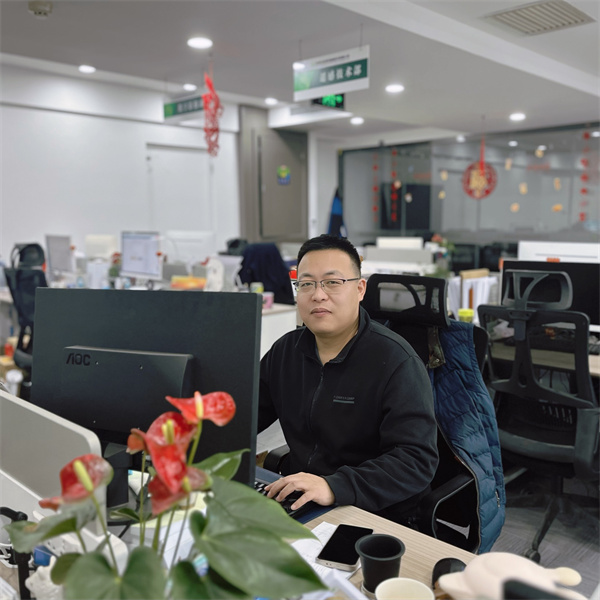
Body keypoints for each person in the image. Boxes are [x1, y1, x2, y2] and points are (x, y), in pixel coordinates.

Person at [258, 234, 439, 524]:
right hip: (302, 501)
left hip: (377, 513)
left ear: (360, 289)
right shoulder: (285, 352)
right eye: (306, 284)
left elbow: (415, 460)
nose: (318, 295)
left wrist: (333, 486)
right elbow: (243, 415)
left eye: (332, 282)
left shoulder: (396, 361)